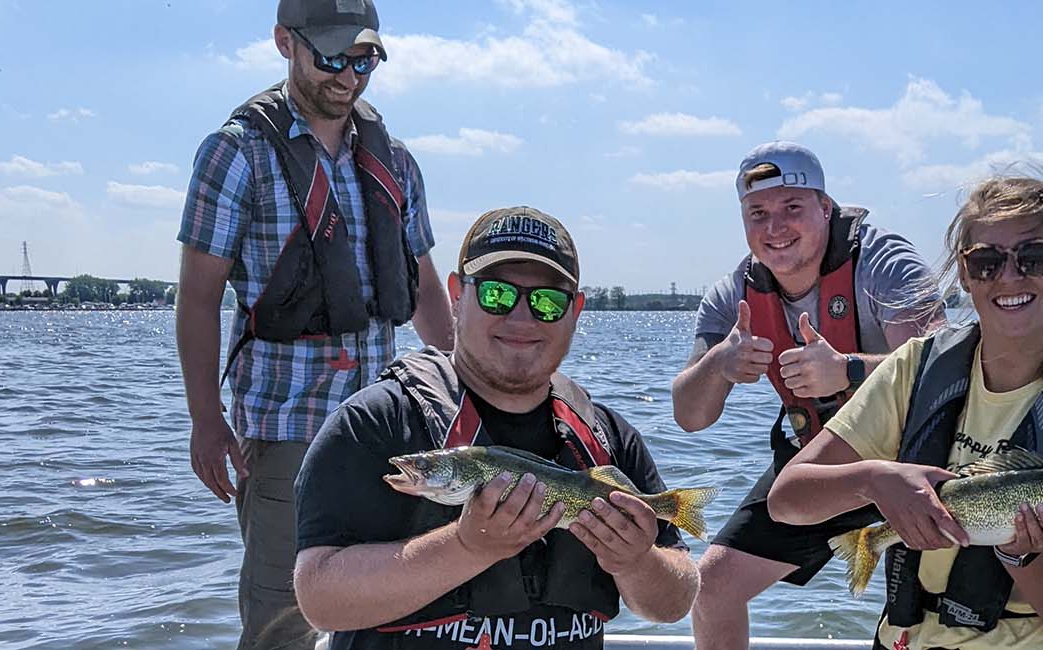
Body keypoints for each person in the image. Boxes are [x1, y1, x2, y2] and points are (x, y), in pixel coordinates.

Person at [766, 171, 1043, 649]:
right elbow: (786, 501)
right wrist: (873, 480)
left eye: (1034, 257)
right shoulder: (915, 368)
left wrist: (1025, 558)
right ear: (966, 275)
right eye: (987, 262)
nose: (1010, 276)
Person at [292, 206, 699, 649]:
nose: (522, 319)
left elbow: (674, 602)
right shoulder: (375, 423)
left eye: (547, 301)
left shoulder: (607, 437)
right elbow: (318, 599)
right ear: (456, 295)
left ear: (576, 311)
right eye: (496, 295)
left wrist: (636, 562)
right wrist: (468, 547)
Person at [175, 1, 454, 648]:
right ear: (283, 42)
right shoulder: (234, 153)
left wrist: (475, 395)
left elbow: (426, 291)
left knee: (398, 616)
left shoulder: (397, 160)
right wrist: (205, 418)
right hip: (285, 433)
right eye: (331, 56)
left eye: (363, 60)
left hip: (388, 433)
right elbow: (196, 299)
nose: (348, 77)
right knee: (282, 627)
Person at [671, 141, 944, 649]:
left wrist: (848, 370)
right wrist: (720, 364)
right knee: (711, 588)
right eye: (758, 213)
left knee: (930, 618)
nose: (775, 228)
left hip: (918, 460)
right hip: (820, 461)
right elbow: (689, 416)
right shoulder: (733, 294)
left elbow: (942, 377)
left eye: (791, 207)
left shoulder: (885, 264)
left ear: (826, 207)